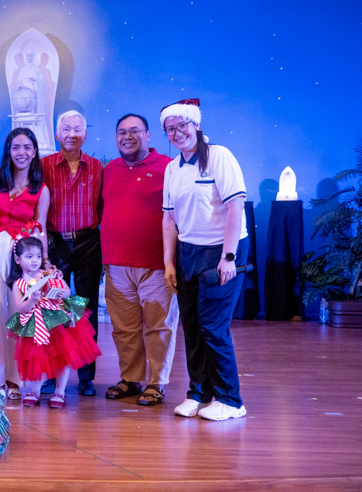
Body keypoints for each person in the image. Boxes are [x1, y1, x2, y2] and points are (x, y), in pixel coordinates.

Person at [161, 99, 249, 421]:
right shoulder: (173, 168)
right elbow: (169, 220)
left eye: (182, 125)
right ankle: (199, 393)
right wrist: (170, 262)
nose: (177, 132)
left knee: (213, 325)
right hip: (188, 251)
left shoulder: (219, 157)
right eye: (170, 129)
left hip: (221, 250)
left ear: (196, 124)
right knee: (192, 326)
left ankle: (230, 399)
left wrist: (228, 258)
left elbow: (235, 207)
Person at [101, 113, 179, 406]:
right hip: (117, 264)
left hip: (157, 265)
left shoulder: (168, 169)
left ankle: (156, 383)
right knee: (124, 328)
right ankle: (130, 378)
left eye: (135, 131)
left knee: (159, 326)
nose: (127, 136)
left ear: (149, 135)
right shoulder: (109, 170)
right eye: (122, 132)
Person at [0, 128, 50, 401]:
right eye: (16, 147)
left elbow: (40, 229)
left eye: (27, 147)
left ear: (34, 152)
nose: (21, 153)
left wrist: (42, 264)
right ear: (9, 150)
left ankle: (16, 378)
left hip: (21, 254)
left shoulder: (41, 189)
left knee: (18, 313)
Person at [41, 110, 103, 397]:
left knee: (85, 308)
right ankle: (53, 375)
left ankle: (87, 376)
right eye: (66, 129)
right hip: (56, 245)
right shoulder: (43, 166)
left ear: (85, 134)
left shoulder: (98, 167)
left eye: (77, 129)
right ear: (57, 134)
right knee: (55, 310)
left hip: (89, 242)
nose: (71, 134)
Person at [5, 231, 101, 408]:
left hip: (56, 321)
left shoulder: (50, 273)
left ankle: (60, 391)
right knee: (37, 357)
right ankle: (35, 390)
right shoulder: (19, 283)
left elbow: (66, 292)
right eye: (29, 256)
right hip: (35, 324)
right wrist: (32, 300)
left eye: (38, 256)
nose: (34, 260)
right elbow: (20, 307)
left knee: (62, 357)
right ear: (18, 260)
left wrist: (54, 286)